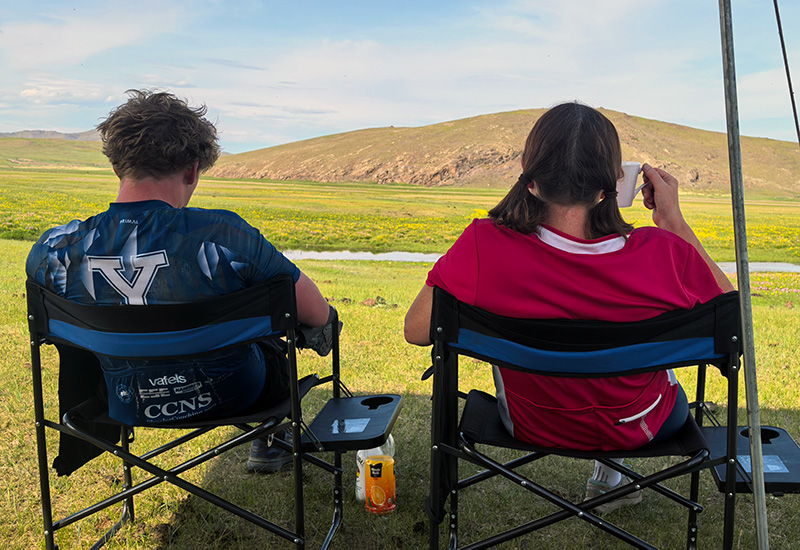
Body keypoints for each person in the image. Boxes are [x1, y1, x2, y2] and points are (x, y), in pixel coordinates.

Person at [404, 101, 735, 512]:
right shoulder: (663, 253)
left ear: (529, 175)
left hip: (531, 422)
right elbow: (735, 329)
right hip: (639, 426)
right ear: (612, 185)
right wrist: (674, 222)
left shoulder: (483, 244)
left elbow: (417, 331)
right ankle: (611, 476)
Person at [26, 89, 334, 474]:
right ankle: (270, 443)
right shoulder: (224, 236)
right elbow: (317, 313)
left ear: (118, 166)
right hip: (238, 394)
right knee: (299, 322)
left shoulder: (54, 249)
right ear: (192, 169)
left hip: (123, 400)